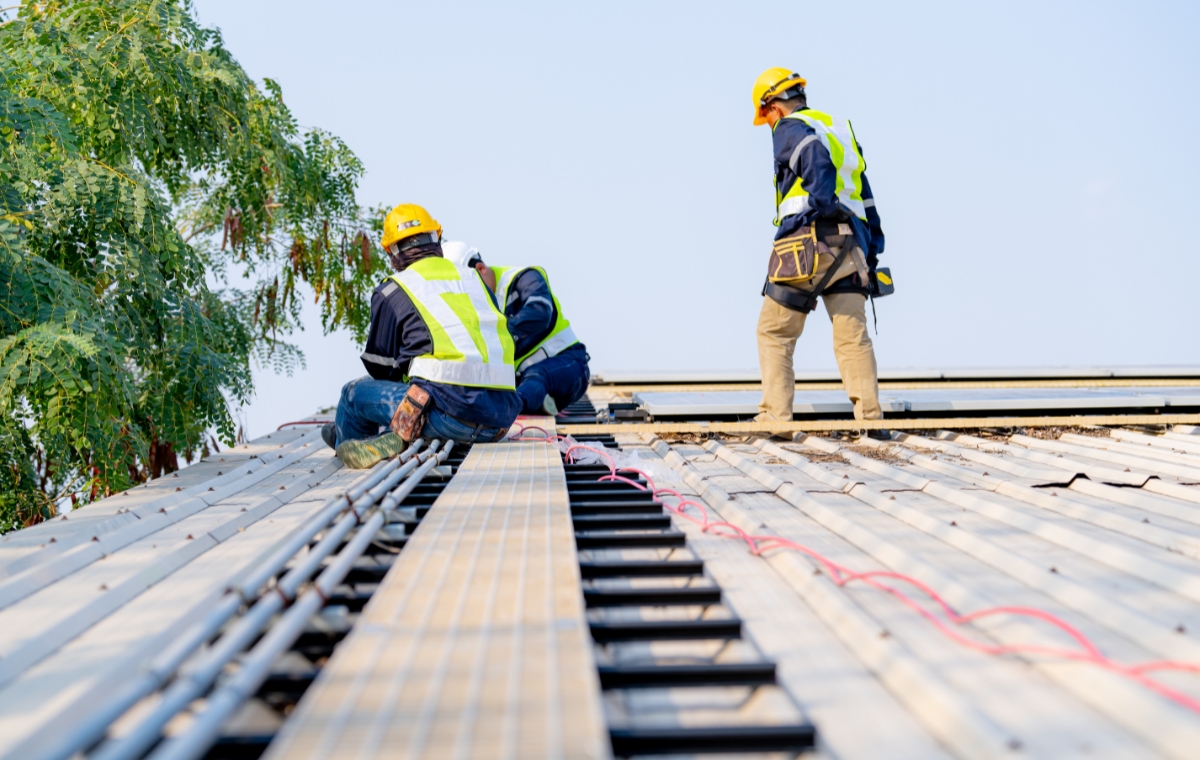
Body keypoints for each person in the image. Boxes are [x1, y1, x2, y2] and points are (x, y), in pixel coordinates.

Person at [323, 204, 522, 468]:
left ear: (392, 254)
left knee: (351, 395)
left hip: (447, 416)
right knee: (435, 394)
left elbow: (381, 370)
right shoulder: (475, 281)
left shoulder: (394, 290)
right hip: (501, 419)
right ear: (437, 240)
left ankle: (360, 446)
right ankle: (397, 437)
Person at [751, 67, 890, 439]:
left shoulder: (790, 127)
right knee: (852, 335)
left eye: (765, 117)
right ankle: (871, 423)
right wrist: (871, 253)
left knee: (775, 332)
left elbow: (812, 159)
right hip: (852, 247)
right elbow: (867, 200)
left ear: (773, 108)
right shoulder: (839, 130)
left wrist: (824, 206)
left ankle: (776, 423)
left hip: (807, 244)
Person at [442, 242, 591, 417]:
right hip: (524, 378)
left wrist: (497, 334)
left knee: (537, 375)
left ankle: (512, 407)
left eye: (469, 287)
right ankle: (537, 401)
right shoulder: (476, 304)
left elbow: (540, 311)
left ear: (481, 269)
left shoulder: (525, 277)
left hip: (569, 364)